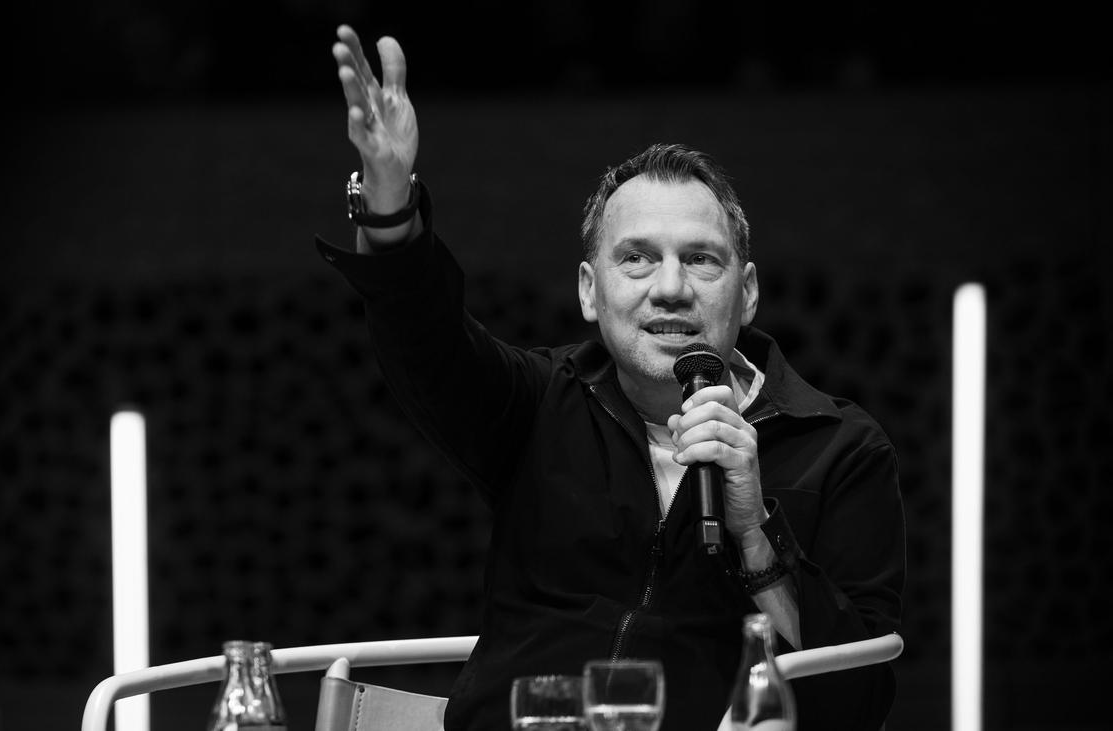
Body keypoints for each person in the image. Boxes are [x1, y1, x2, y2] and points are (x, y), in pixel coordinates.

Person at [315, 25, 905, 730]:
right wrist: (389, 205)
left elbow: (860, 696)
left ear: (747, 293)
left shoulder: (839, 448)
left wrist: (755, 534)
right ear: (590, 292)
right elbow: (424, 338)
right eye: (637, 259)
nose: (671, 288)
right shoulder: (542, 402)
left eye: (701, 260)